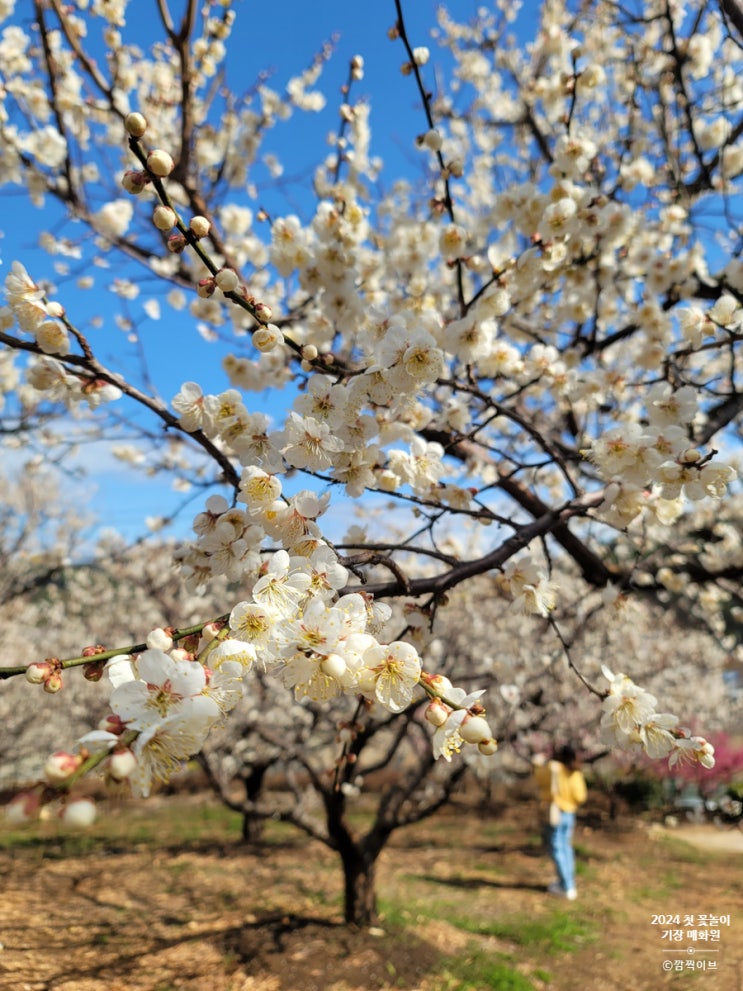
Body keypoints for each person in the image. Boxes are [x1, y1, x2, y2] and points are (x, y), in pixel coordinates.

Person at [532, 744, 587, 901]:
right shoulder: (576, 773)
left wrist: (536, 763)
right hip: (570, 814)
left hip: (555, 814)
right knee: (566, 848)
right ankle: (569, 882)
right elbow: (581, 796)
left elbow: (539, 777)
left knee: (556, 848)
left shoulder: (553, 768)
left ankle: (566, 886)